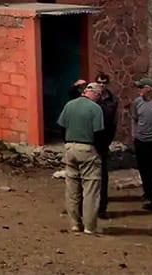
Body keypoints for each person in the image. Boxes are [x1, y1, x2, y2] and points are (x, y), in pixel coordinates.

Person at [57, 82, 105, 235]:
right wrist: (99, 151)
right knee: (90, 189)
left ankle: (75, 224)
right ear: (96, 94)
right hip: (87, 148)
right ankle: (89, 226)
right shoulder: (95, 109)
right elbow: (98, 133)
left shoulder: (69, 105)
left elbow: (62, 127)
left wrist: (67, 143)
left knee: (72, 188)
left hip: (70, 148)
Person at [131, 78, 152, 211]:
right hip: (141, 141)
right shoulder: (137, 102)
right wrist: (134, 135)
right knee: (144, 170)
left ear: (149, 88)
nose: (139, 90)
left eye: (141, 87)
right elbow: (134, 118)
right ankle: (148, 196)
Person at [94, 72, 118, 218]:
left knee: (102, 177)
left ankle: (102, 208)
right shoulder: (91, 98)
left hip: (103, 141)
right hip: (92, 141)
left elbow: (112, 122)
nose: (102, 85)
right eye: (99, 82)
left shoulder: (112, 100)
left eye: (104, 83)